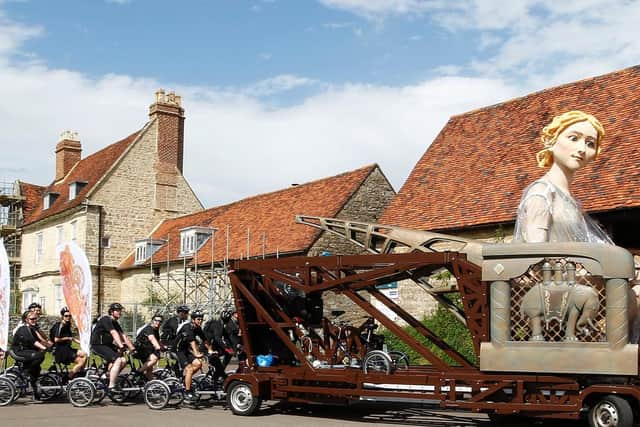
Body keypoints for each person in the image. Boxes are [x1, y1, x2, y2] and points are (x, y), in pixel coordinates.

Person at [514, 111, 611, 244]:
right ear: (552, 141)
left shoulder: (570, 199)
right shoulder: (542, 193)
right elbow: (535, 251)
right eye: (574, 138)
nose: (582, 149)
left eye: (590, 143)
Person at [90, 302, 135, 392]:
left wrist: (132, 348)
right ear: (111, 311)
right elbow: (113, 333)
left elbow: (123, 336)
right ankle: (111, 386)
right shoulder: (106, 319)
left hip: (107, 345)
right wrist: (121, 346)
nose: (120, 313)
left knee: (123, 360)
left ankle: (109, 376)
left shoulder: (115, 322)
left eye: (120, 311)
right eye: (118, 310)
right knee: (118, 360)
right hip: (98, 345)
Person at [175, 310, 215, 401]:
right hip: (177, 350)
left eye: (201, 319)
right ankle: (187, 392)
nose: (200, 321)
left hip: (185, 350)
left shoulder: (197, 328)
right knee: (189, 369)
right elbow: (192, 342)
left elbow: (205, 340)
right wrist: (196, 353)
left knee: (198, 364)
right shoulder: (187, 327)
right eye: (198, 319)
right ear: (193, 320)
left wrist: (210, 350)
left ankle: (186, 380)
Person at [11, 310, 47, 398]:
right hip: (18, 351)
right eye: (32, 319)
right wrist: (45, 348)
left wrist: (52, 346)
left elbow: (42, 340)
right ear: (26, 320)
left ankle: (34, 386)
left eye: (36, 318)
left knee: (36, 368)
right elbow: (33, 342)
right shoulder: (23, 329)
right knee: (39, 356)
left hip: (26, 351)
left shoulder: (32, 328)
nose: (34, 320)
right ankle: (25, 372)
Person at [51, 307, 88, 378]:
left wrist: (82, 343)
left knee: (85, 354)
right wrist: (67, 338)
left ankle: (80, 374)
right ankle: (68, 377)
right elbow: (56, 339)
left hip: (67, 348)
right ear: (62, 316)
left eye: (69, 316)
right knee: (80, 361)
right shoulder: (59, 325)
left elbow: (72, 338)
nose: (68, 317)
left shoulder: (67, 324)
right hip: (61, 351)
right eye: (66, 316)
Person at [134, 314, 164, 380]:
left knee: (150, 368)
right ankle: (138, 372)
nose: (158, 322)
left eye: (160, 321)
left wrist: (164, 347)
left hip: (146, 350)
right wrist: (158, 347)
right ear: (152, 321)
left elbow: (158, 341)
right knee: (154, 358)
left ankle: (149, 384)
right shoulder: (149, 328)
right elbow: (152, 338)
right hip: (139, 349)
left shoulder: (156, 330)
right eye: (156, 320)